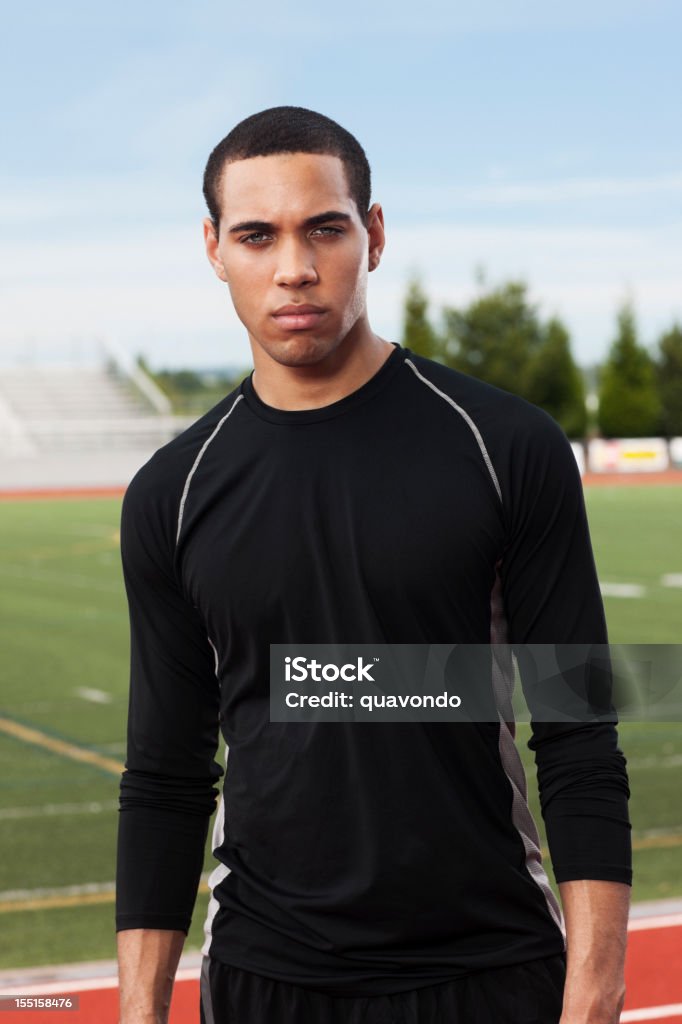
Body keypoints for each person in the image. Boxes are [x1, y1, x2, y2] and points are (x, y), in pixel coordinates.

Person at [115, 106, 632, 1024]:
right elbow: (165, 776)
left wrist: (592, 999)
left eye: (325, 227)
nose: (293, 268)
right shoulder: (173, 493)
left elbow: (579, 736)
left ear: (375, 233)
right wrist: (139, 1010)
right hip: (263, 979)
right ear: (212, 248)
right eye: (256, 235)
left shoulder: (505, 446)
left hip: (489, 970)